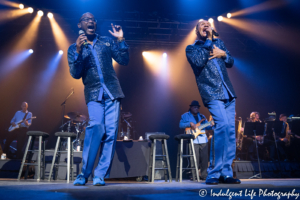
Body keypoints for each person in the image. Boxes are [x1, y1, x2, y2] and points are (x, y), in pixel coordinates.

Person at [67, 12, 129, 186]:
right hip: (94, 93)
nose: (91, 21)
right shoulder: (73, 48)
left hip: (112, 93)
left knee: (110, 134)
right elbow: (75, 73)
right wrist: (79, 51)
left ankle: (100, 174)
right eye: (86, 20)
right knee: (95, 127)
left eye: (93, 19)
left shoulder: (106, 41)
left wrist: (120, 40)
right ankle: (84, 173)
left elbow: (124, 60)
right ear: (80, 25)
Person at [185, 20, 240, 184]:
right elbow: (199, 61)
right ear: (196, 30)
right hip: (212, 93)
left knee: (230, 133)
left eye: (208, 23)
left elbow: (230, 62)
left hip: (228, 93)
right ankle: (214, 173)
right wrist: (208, 41)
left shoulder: (219, 43)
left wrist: (224, 54)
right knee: (221, 126)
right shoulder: (192, 48)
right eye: (202, 24)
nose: (205, 25)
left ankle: (226, 173)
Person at [179, 100, 212, 181]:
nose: (196, 108)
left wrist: (211, 125)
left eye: (197, 107)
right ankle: (194, 175)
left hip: (203, 139)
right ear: (190, 107)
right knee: (194, 159)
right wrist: (190, 124)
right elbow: (181, 125)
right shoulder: (185, 116)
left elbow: (207, 127)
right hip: (193, 139)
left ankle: (204, 175)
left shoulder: (202, 116)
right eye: (194, 107)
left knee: (204, 159)